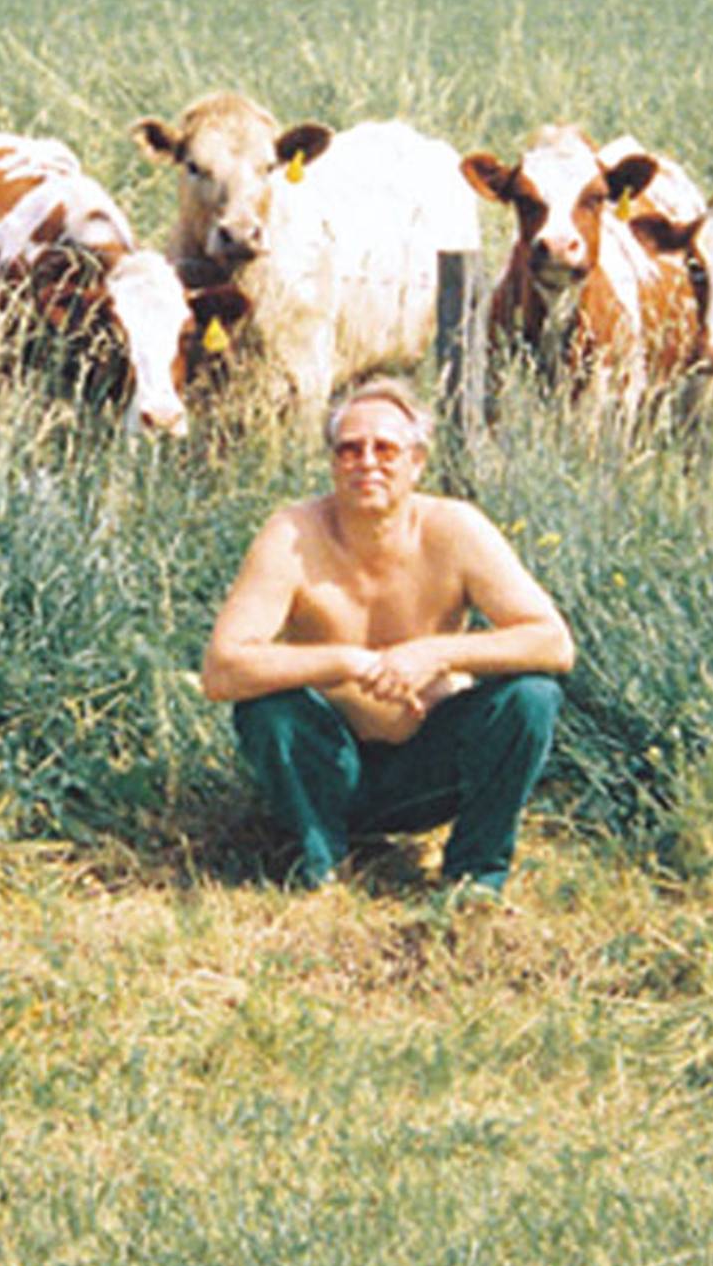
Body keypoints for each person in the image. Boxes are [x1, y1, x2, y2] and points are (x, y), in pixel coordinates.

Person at [197, 374, 575, 901]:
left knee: (532, 697)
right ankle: (317, 868)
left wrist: (434, 653)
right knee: (266, 709)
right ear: (332, 462)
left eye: (385, 449)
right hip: (329, 770)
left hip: (430, 770)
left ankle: (474, 881)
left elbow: (553, 644)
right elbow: (221, 670)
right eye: (349, 449)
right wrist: (350, 662)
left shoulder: (456, 529)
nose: (366, 462)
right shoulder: (292, 533)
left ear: (417, 462)